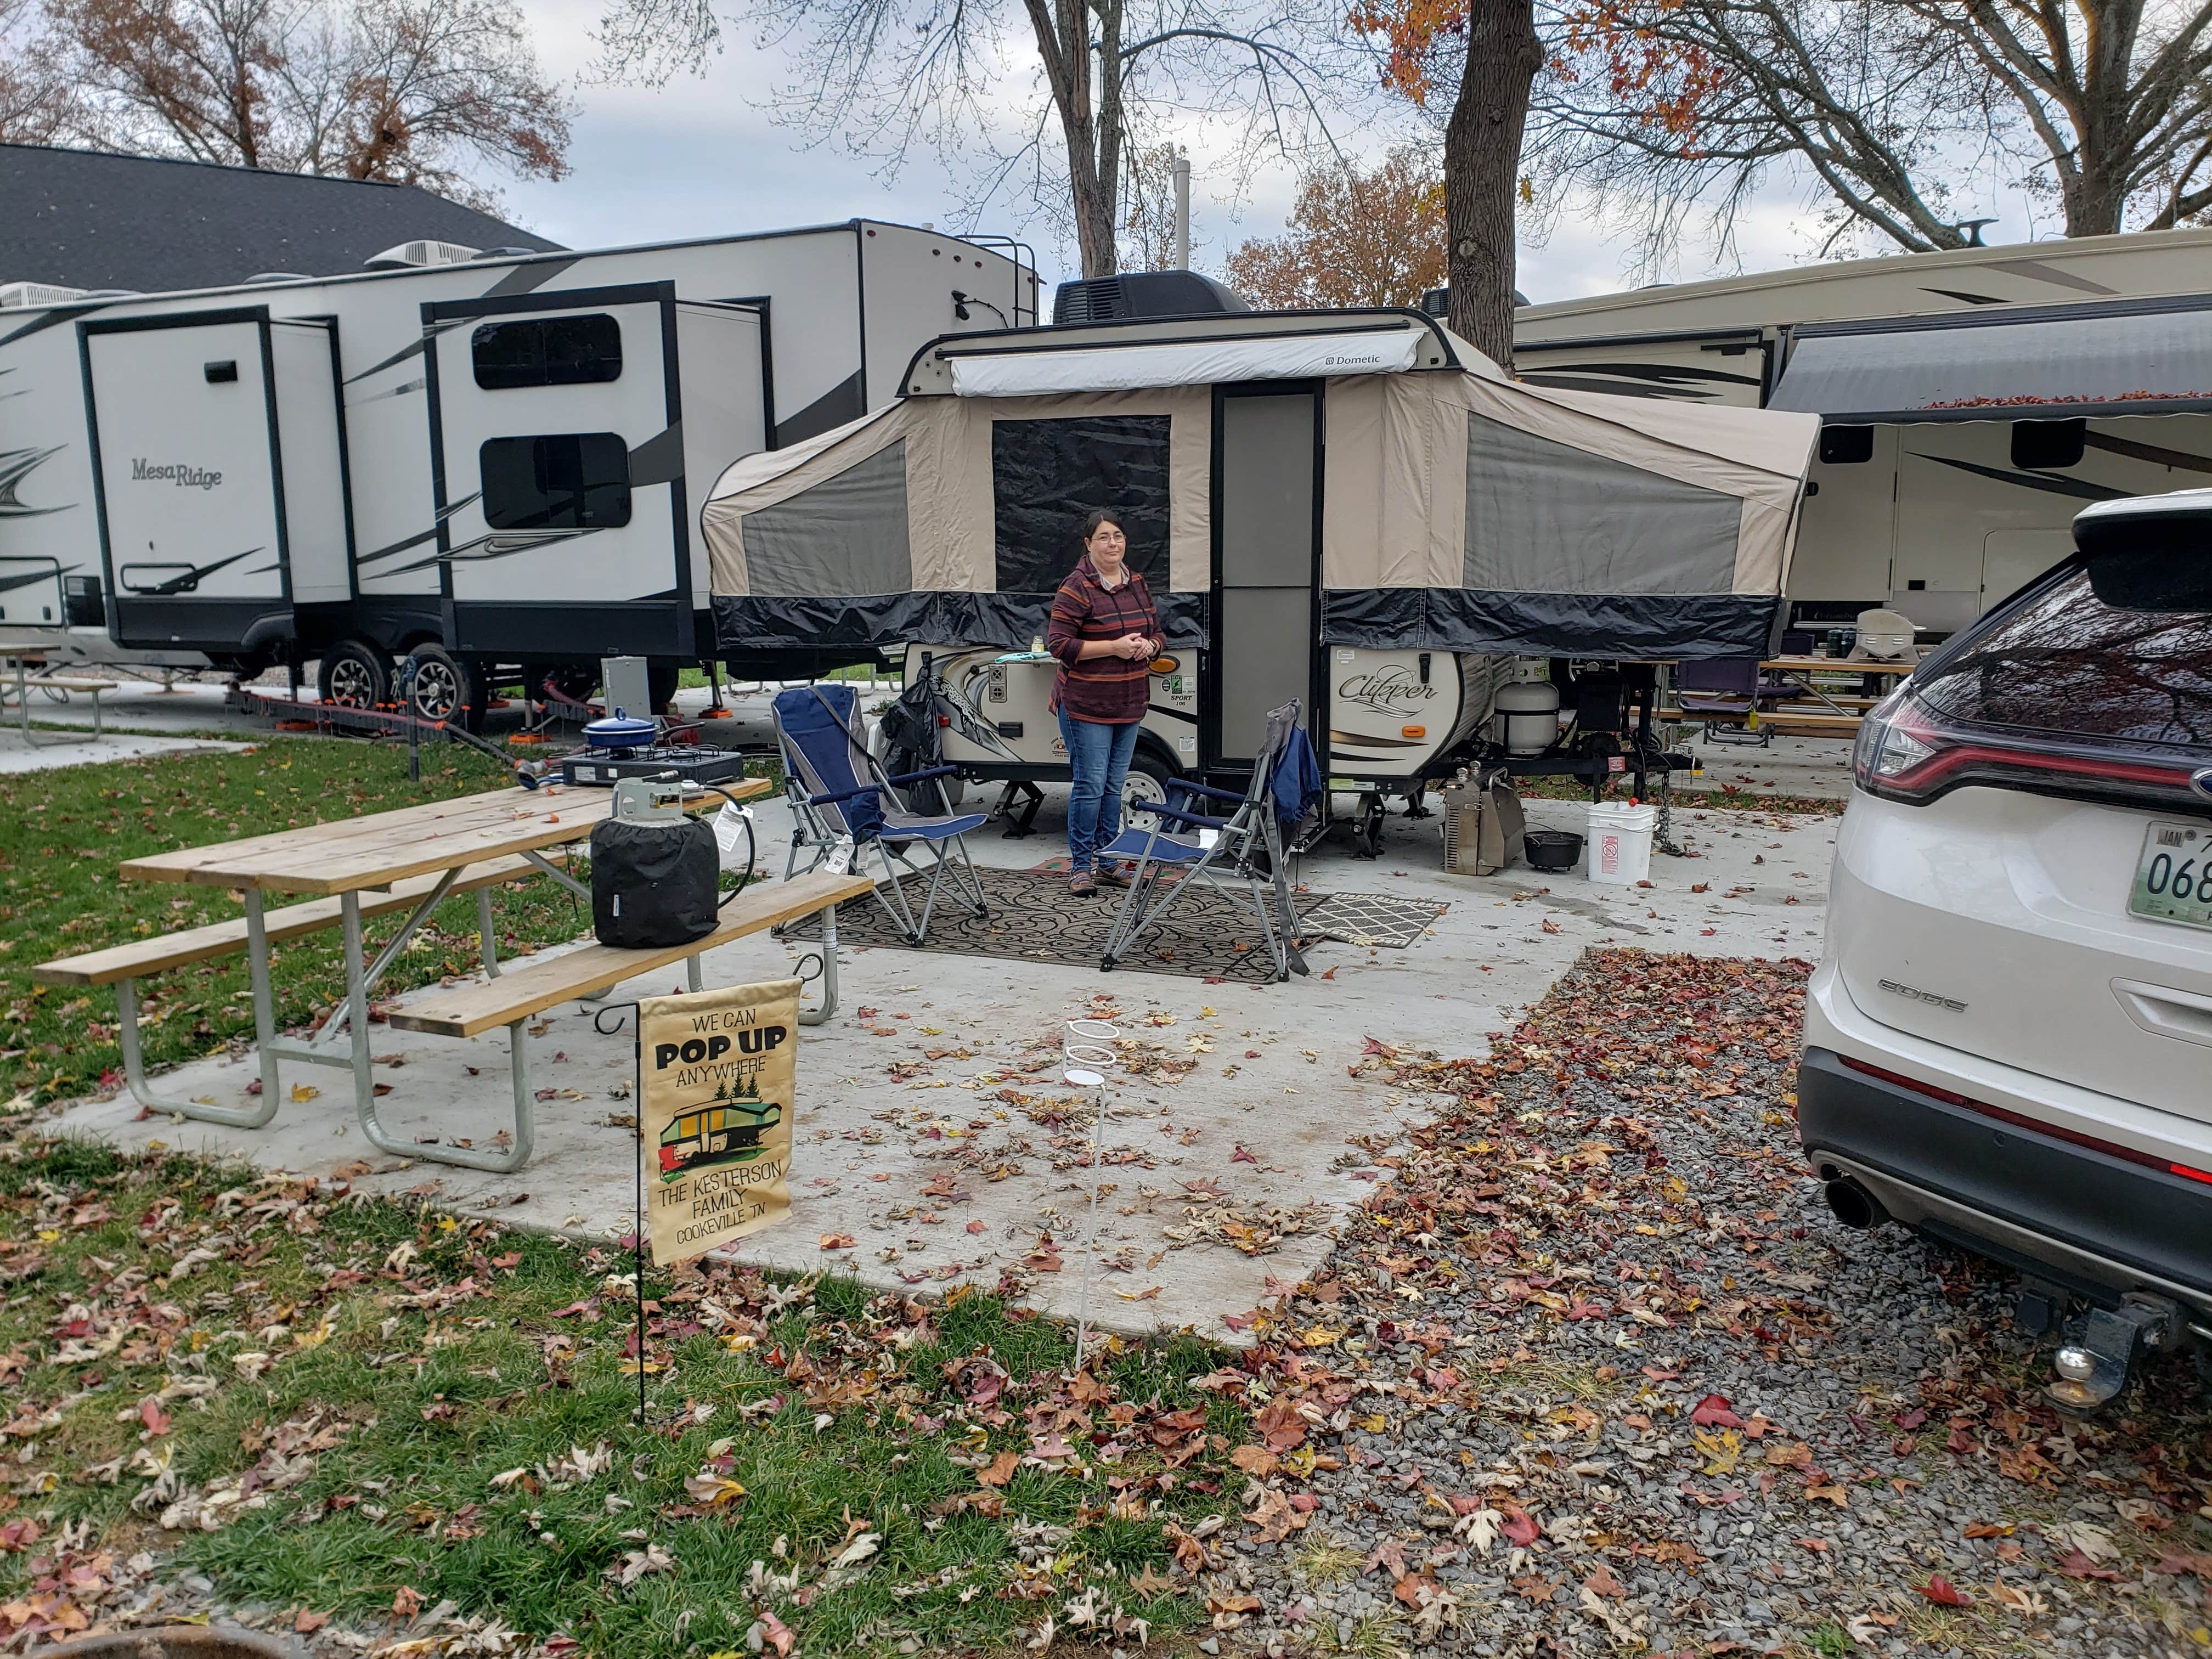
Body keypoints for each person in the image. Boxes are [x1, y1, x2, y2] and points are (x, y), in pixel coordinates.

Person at [1046, 509, 1161, 897]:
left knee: (1113, 787)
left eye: (1118, 537)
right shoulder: (1076, 587)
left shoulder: (1137, 584)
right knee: (1091, 786)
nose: (1113, 544)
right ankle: (1081, 868)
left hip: (1129, 702)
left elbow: (1158, 633)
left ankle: (1109, 862)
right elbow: (1059, 645)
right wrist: (1113, 647)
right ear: (1088, 544)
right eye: (1104, 538)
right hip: (1086, 705)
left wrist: (1150, 646)